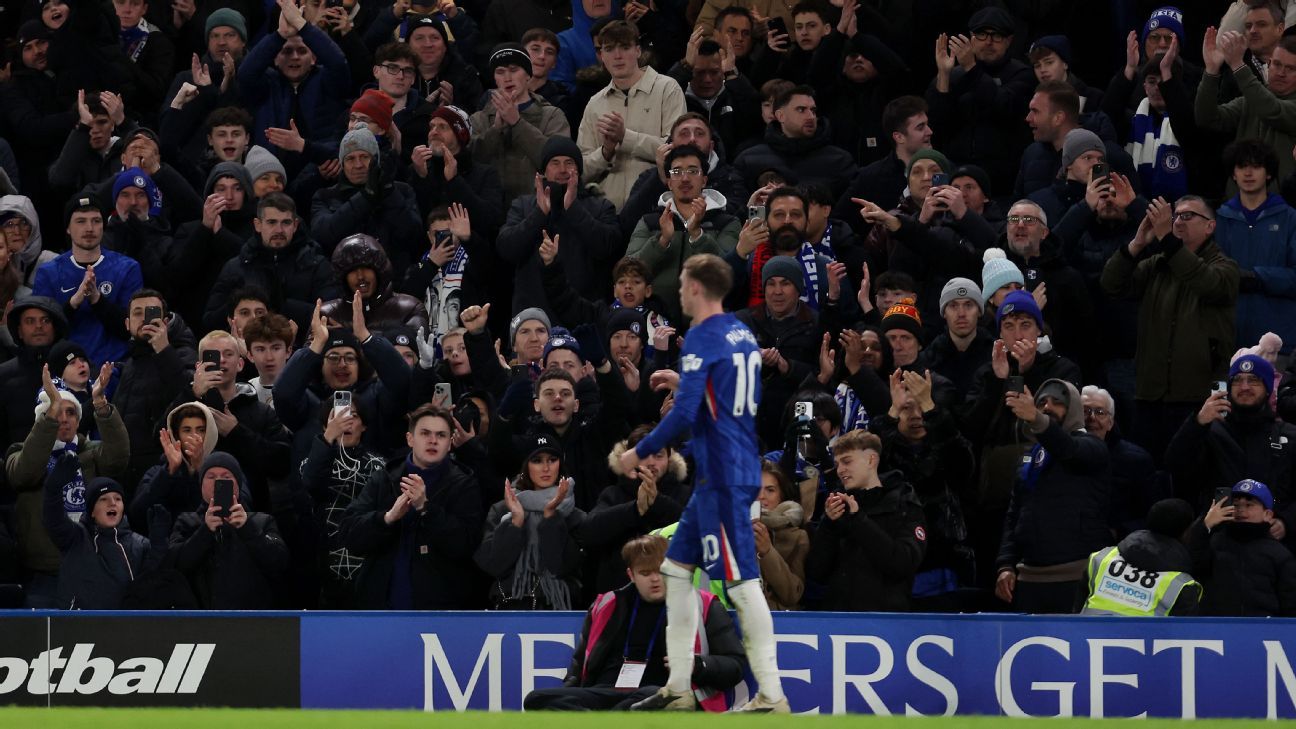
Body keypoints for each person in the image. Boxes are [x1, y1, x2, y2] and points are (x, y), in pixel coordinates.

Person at [618, 253, 786, 712]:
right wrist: (687, 378)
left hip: (724, 477)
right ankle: (678, 685)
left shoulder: (700, 336)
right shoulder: (739, 331)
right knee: (674, 571)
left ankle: (771, 693)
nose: (677, 291)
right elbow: (724, 393)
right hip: (728, 467)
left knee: (741, 584)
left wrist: (638, 450)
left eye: (682, 284)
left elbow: (686, 415)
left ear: (694, 287)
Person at [523, 534, 746, 711]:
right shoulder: (606, 604)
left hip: (659, 693)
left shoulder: (702, 604)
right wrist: (571, 694)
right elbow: (578, 666)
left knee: (656, 698)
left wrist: (697, 665)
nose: (656, 578)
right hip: (606, 691)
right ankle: (614, 721)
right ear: (631, 575)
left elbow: (735, 666)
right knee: (537, 698)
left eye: (661, 570)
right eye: (646, 573)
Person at [1100, 195, 1239, 462]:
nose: (1177, 221)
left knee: (1190, 470)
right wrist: (1137, 244)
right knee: (1149, 470)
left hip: (1198, 395)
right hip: (1151, 394)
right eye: (1175, 216)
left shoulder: (1225, 267)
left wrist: (1170, 243)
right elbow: (1111, 285)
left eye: (1187, 216)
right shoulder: (1158, 264)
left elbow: (1207, 283)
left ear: (1210, 226)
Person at [337, 405, 483, 609]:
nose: (433, 440)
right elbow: (349, 536)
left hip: (439, 611)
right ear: (410, 439)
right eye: (425, 433)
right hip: (380, 605)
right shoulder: (384, 478)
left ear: (450, 444)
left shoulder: (464, 484)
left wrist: (426, 509)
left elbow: (466, 545)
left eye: (441, 435)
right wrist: (387, 518)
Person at [5, 364, 127, 607]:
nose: (63, 418)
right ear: (44, 417)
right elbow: (23, 473)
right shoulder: (20, 451)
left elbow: (118, 459)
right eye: (56, 411)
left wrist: (100, 402)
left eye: (70, 412)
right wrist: (49, 417)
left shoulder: (91, 453)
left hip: (92, 565)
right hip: (43, 572)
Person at [995, 379, 1111, 614]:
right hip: (1029, 579)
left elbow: (1067, 449)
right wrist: (1005, 564)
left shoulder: (1092, 447)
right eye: (1041, 404)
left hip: (1076, 578)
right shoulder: (1030, 457)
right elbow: (1015, 514)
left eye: (1057, 402)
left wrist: (1037, 419)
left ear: (1075, 409)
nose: (1047, 408)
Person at [576, 20, 686, 209]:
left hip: (654, 209)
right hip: (606, 213)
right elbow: (581, 170)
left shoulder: (667, 88)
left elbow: (676, 152)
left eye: (625, 47)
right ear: (601, 55)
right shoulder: (595, 104)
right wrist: (605, 152)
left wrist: (625, 137)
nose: (617, 56)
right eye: (609, 49)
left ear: (638, 51)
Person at [42, 452, 169, 610]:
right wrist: (52, 489)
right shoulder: (76, 537)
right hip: (77, 626)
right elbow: (53, 520)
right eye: (103, 499)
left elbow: (151, 579)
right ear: (92, 511)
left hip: (125, 627)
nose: (112, 503)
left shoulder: (139, 544)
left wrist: (159, 543)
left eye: (118, 499)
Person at [475, 432, 585, 610]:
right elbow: (493, 565)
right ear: (526, 466)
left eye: (552, 459)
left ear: (560, 463)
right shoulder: (503, 510)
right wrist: (516, 521)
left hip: (558, 609)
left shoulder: (574, 515)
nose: (546, 468)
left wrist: (551, 516)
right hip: (510, 609)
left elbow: (560, 566)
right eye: (537, 460)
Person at [168, 451, 290, 608]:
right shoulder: (186, 522)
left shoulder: (262, 521)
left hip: (252, 620)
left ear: (238, 485)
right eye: (211, 477)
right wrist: (205, 531)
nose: (218, 481)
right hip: (200, 620)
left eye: (226, 478)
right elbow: (175, 567)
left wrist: (247, 529)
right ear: (201, 484)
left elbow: (279, 563)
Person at [32, 197, 143, 367]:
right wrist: (74, 302)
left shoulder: (127, 268)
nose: (89, 228)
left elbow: (131, 328)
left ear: (103, 226)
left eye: (96, 221)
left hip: (116, 367)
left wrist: (96, 299)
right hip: (65, 370)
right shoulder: (48, 273)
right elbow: (43, 333)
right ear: (68, 228)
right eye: (81, 221)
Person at [582, 425, 690, 594]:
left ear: (669, 458)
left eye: (658, 455)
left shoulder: (685, 494)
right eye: (643, 454)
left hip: (676, 595)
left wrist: (657, 501)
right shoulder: (613, 494)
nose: (651, 462)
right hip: (620, 598)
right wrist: (635, 509)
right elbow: (588, 532)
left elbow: (699, 533)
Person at [1212, 139, 1296, 350]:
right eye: (1241, 166)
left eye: (1256, 166)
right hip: (1228, 337)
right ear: (1233, 173)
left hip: (1279, 339)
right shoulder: (1219, 219)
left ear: (1268, 174)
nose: (1248, 173)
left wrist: (1257, 277)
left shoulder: (1290, 218)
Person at [469, 44, 572, 204]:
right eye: (500, 72)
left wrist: (517, 123)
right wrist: (495, 131)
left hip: (538, 206)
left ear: (528, 75)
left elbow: (557, 163)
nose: (507, 78)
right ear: (494, 78)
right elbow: (471, 163)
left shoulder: (552, 116)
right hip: (491, 206)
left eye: (514, 69)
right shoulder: (478, 119)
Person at [1195, 29, 1296, 185]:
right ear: (1268, 65)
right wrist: (1211, 72)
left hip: (1284, 205)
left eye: (1290, 68)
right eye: (1276, 64)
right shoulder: (1248, 102)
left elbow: (1272, 110)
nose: (1281, 73)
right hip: (1239, 203)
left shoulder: (1263, 101)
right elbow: (1207, 119)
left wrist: (1238, 65)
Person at [1187, 478, 1296, 616]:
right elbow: (1194, 566)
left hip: (1263, 632)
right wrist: (1205, 526)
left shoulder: (1280, 554)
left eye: (1249, 505)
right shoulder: (1214, 542)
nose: (1240, 510)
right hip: (1217, 630)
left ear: (1267, 514)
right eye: (1236, 505)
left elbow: (1290, 604)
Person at [1081, 497, 1201, 616]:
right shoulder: (1181, 585)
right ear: (1186, 532)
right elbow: (1183, 633)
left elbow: (1076, 613)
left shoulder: (1101, 558)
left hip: (1087, 634)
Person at [731, 84, 856, 199]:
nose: (811, 117)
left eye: (813, 110)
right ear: (780, 116)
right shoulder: (749, 159)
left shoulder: (839, 160)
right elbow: (738, 206)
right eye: (801, 110)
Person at [754, 459, 808, 610]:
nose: (761, 496)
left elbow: (793, 594)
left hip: (779, 624)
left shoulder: (798, 536)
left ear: (781, 495)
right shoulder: (727, 529)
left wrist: (767, 552)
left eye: (770, 490)